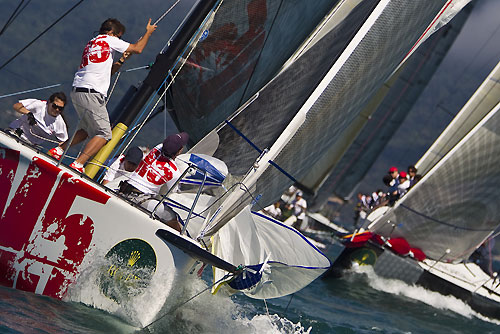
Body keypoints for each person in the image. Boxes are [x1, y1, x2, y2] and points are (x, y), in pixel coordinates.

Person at [48, 18, 157, 172]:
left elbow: (107, 72)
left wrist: (121, 60)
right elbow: (138, 48)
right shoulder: (109, 39)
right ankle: (78, 164)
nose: (119, 40)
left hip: (78, 90)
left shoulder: (93, 42)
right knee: (105, 133)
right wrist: (148, 33)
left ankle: (58, 151)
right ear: (112, 33)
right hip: (92, 93)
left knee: (87, 129)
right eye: (119, 36)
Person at [119, 133, 189, 232]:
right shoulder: (174, 173)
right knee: (171, 216)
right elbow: (174, 191)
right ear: (179, 151)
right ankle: (181, 240)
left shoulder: (156, 149)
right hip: (142, 200)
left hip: (124, 188)